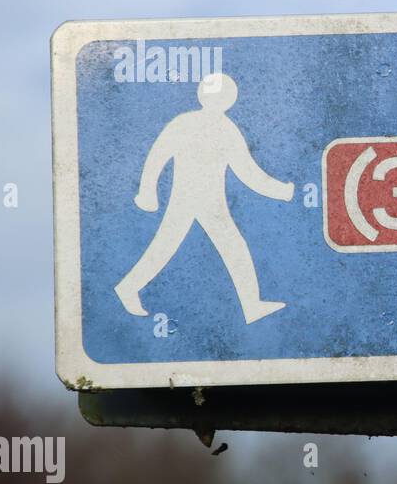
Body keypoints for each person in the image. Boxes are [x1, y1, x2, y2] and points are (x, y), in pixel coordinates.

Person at [114, 72, 294, 323]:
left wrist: (280, 191)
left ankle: (252, 305)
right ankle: (127, 288)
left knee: (219, 247)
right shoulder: (194, 125)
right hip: (190, 199)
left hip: (210, 202)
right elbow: (158, 155)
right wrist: (146, 191)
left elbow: (247, 172)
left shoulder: (213, 127)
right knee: (172, 247)